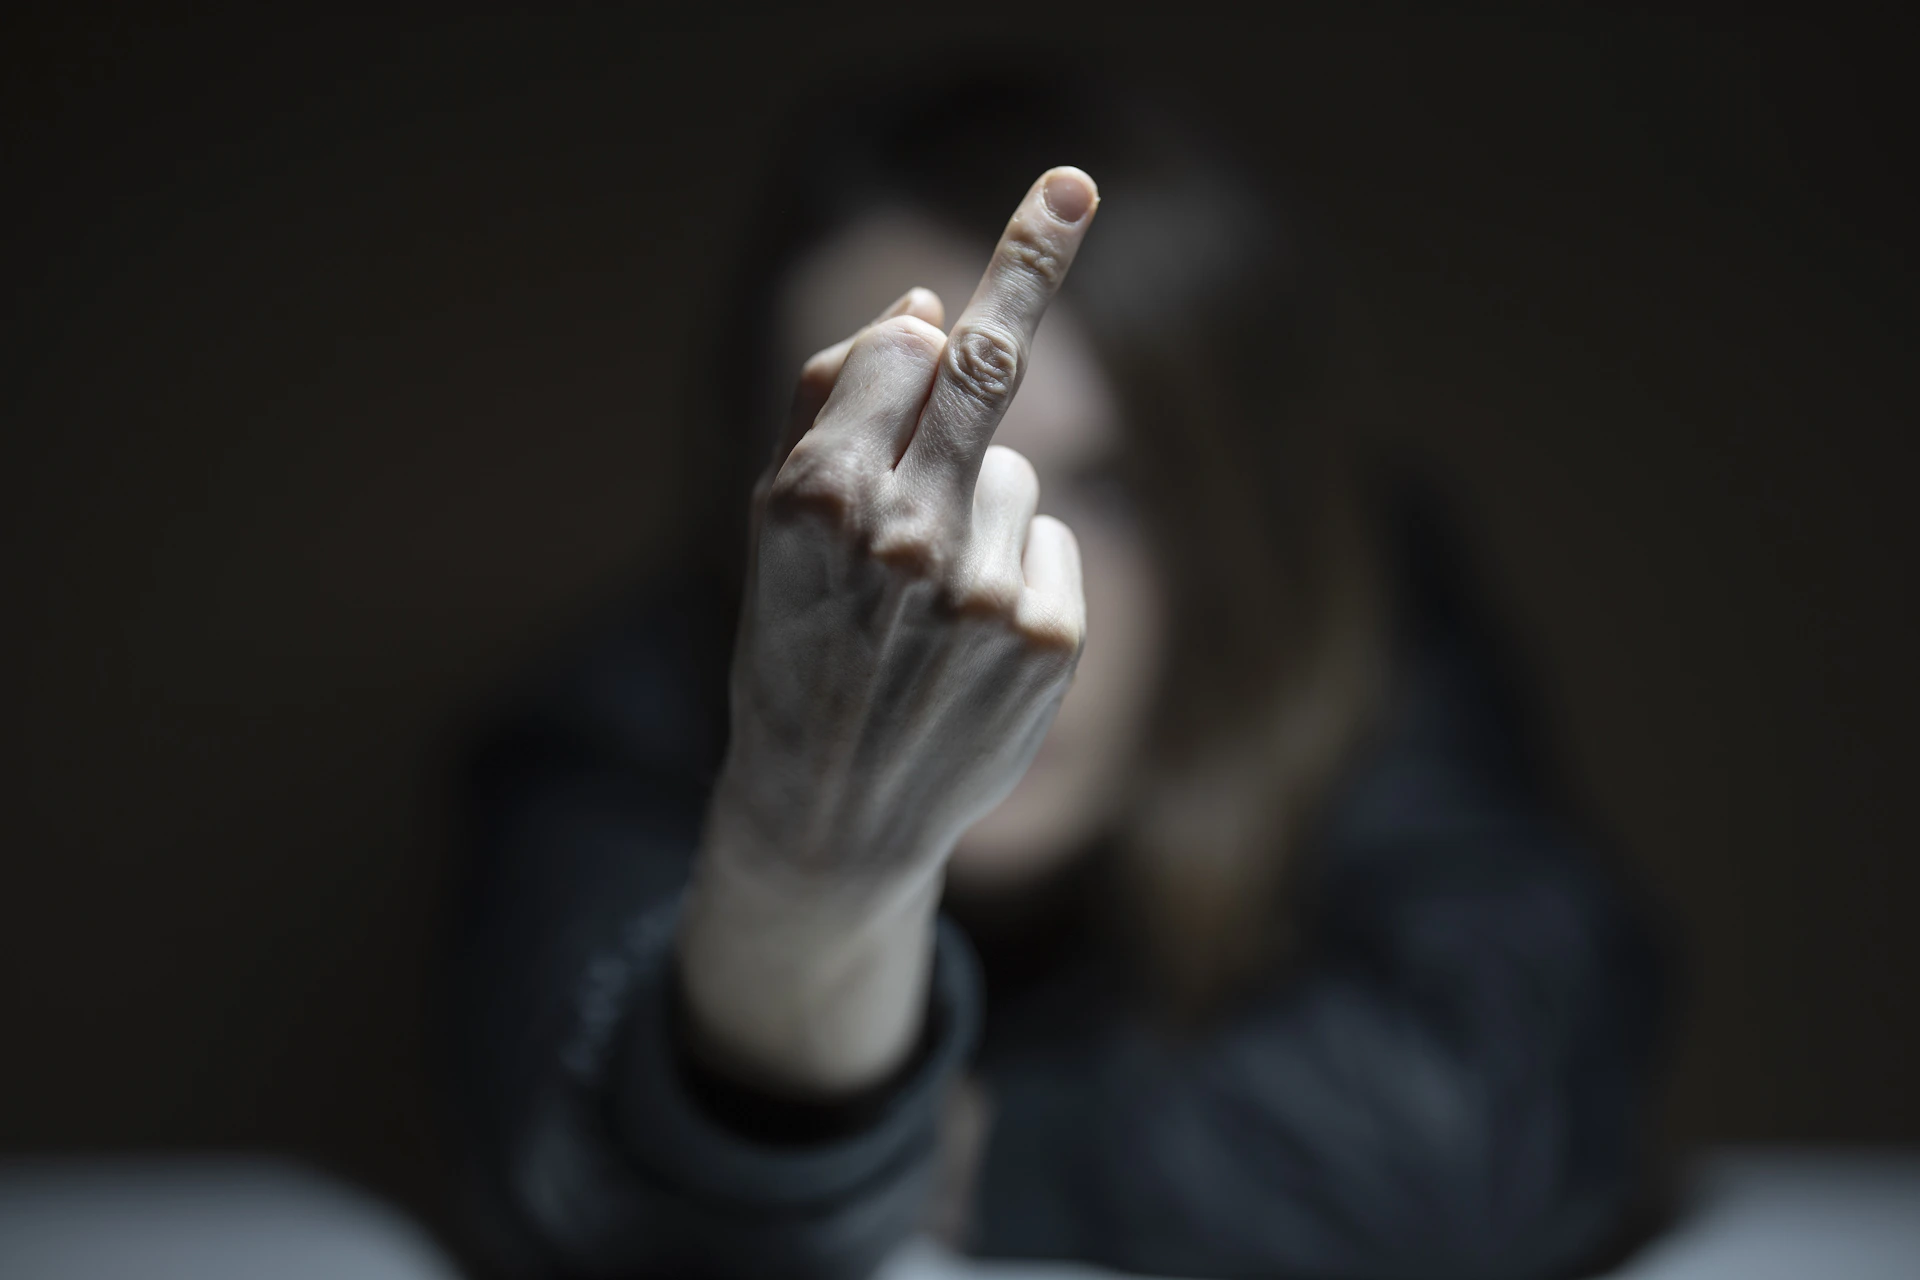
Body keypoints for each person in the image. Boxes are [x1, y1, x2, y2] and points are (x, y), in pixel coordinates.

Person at [447, 67, 1672, 1280]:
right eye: (900, 463)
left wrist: (962, 1146)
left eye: (1112, 488)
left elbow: (1504, 1109)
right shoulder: (615, 715)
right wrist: (805, 857)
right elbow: (585, 1173)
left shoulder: (1357, 640)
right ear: (757, 496)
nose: (981, 580)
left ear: (1241, 533)